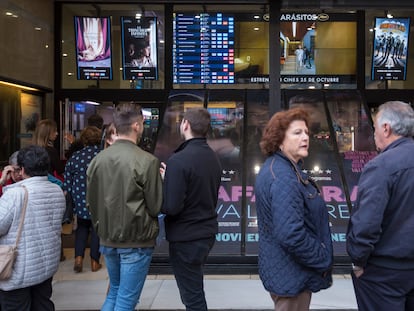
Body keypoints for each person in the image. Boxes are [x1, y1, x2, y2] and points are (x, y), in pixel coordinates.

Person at [254, 107, 333, 311]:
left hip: (287, 272)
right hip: (291, 276)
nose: (305, 137)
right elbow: (291, 234)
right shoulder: (284, 177)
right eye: (297, 133)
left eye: (306, 132)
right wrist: (322, 257)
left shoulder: (282, 168)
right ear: (279, 139)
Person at [86, 103, 162, 311]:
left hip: (107, 238)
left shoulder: (97, 161)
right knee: (127, 301)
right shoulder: (147, 161)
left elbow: (90, 202)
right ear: (137, 126)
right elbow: (155, 207)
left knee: (115, 293)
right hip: (136, 240)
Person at [346, 101, 414, 311]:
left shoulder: (381, 166)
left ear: (386, 128)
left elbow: (367, 222)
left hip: (384, 274)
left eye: (374, 127)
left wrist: (358, 261)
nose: (373, 133)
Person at [160, 107, 222, 311]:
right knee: (194, 290)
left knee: (193, 298)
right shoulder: (212, 157)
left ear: (185, 124)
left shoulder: (179, 160)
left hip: (186, 238)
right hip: (205, 234)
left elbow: (172, 207)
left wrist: (167, 182)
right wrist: (173, 177)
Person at [0, 145, 65, 310]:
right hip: (45, 265)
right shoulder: (57, 190)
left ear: (21, 170)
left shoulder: (15, 194)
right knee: (43, 304)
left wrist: (1, 182)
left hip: (18, 270)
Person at [64, 126, 102, 273]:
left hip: (80, 199)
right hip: (98, 199)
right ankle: (94, 261)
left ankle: (78, 259)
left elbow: (67, 182)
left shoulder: (75, 157)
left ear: (84, 140)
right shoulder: (102, 156)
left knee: (82, 228)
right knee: (96, 231)